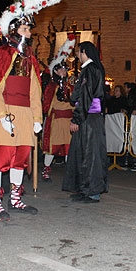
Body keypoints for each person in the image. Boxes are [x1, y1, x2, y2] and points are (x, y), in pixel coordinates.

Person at [0, 18, 42, 219]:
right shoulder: (3, 53)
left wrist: (37, 117)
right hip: (5, 112)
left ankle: (15, 198)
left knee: (21, 159)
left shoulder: (30, 57)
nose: (29, 33)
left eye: (29, 30)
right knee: (0, 158)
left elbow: (35, 90)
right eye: (25, 29)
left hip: (25, 114)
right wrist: (1, 116)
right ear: (14, 31)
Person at [62, 41, 108, 203]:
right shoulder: (91, 69)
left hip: (89, 117)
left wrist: (77, 119)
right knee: (81, 153)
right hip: (89, 117)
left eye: (78, 52)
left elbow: (86, 96)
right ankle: (83, 189)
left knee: (91, 155)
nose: (77, 56)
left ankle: (92, 192)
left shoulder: (90, 69)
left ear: (84, 52)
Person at [42, 35, 75, 183]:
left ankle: (69, 172)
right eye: (60, 70)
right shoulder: (51, 86)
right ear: (55, 71)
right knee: (52, 147)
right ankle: (46, 170)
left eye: (64, 69)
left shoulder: (70, 86)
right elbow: (47, 104)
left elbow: (74, 101)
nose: (63, 72)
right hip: (56, 120)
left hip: (68, 120)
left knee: (69, 146)